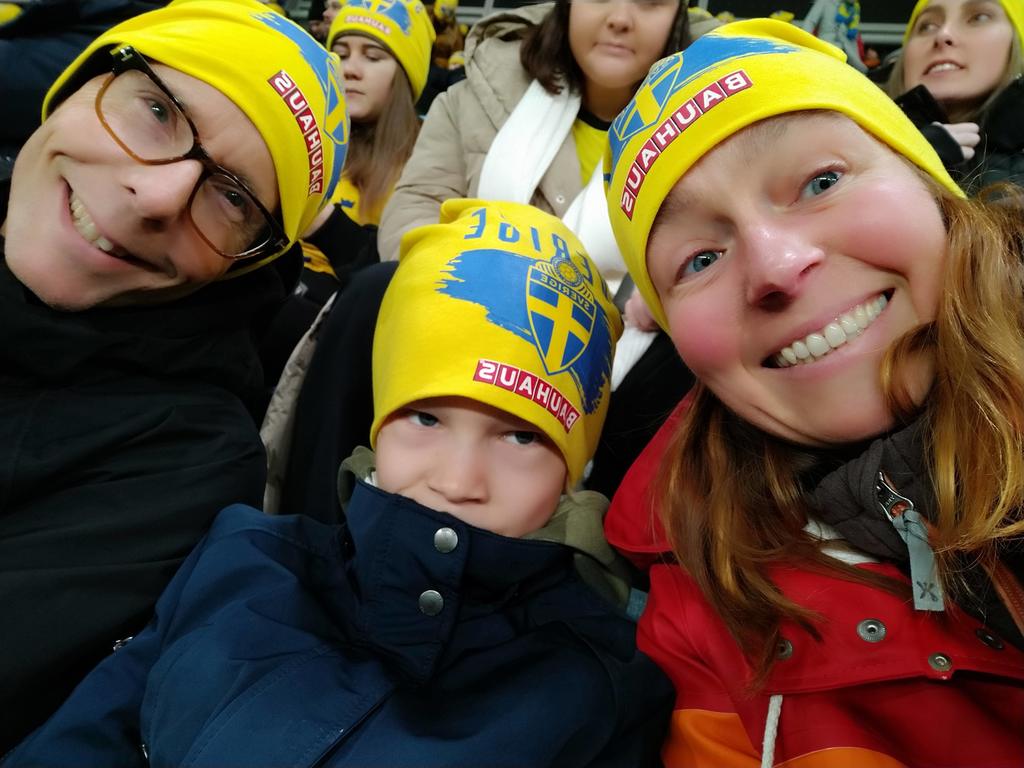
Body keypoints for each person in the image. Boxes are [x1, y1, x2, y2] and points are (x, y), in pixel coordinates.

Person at [5, 199, 673, 768]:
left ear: (571, 471)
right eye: (426, 417)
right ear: (377, 424)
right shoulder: (242, 562)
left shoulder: (602, 690)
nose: (458, 480)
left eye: (522, 436)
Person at [603, 18, 1024, 766]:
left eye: (822, 182)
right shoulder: (698, 609)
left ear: (930, 186)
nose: (775, 264)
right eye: (699, 257)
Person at [0, 0, 346, 750]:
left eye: (231, 197)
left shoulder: (187, 463)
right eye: (156, 109)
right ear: (79, 82)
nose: (155, 197)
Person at [379, 0, 707, 498]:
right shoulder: (475, 98)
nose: (620, 18)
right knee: (370, 295)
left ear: (678, 15)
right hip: (457, 333)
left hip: (621, 369)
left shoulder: (709, 121)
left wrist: (672, 290)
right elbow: (415, 210)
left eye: (650, 1)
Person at [257, 0, 433, 388]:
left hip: (335, 350)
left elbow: (399, 283)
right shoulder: (300, 135)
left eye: (373, 56)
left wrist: (325, 223)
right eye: (340, 53)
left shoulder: (425, 166)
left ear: (404, 77)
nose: (350, 68)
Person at [887, 0, 1024, 191]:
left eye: (979, 17)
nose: (943, 35)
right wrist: (904, 166)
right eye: (927, 26)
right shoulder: (852, 138)